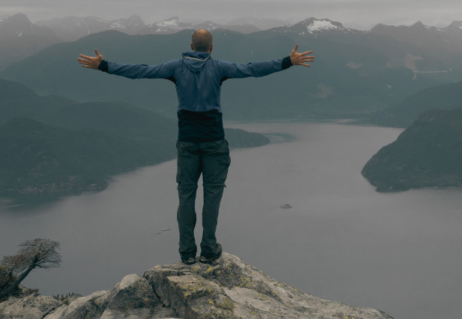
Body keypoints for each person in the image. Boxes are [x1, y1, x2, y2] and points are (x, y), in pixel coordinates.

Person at [77, 29, 314, 265]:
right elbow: (251, 69)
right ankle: (209, 249)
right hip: (214, 142)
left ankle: (187, 252)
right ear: (211, 48)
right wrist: (287, 62)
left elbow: (141, 71)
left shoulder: (175, 67)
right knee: (212, 196)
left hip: (188, 142)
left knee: (186, 195)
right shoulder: (219, 67)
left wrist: (104, 65)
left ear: (191, 46)